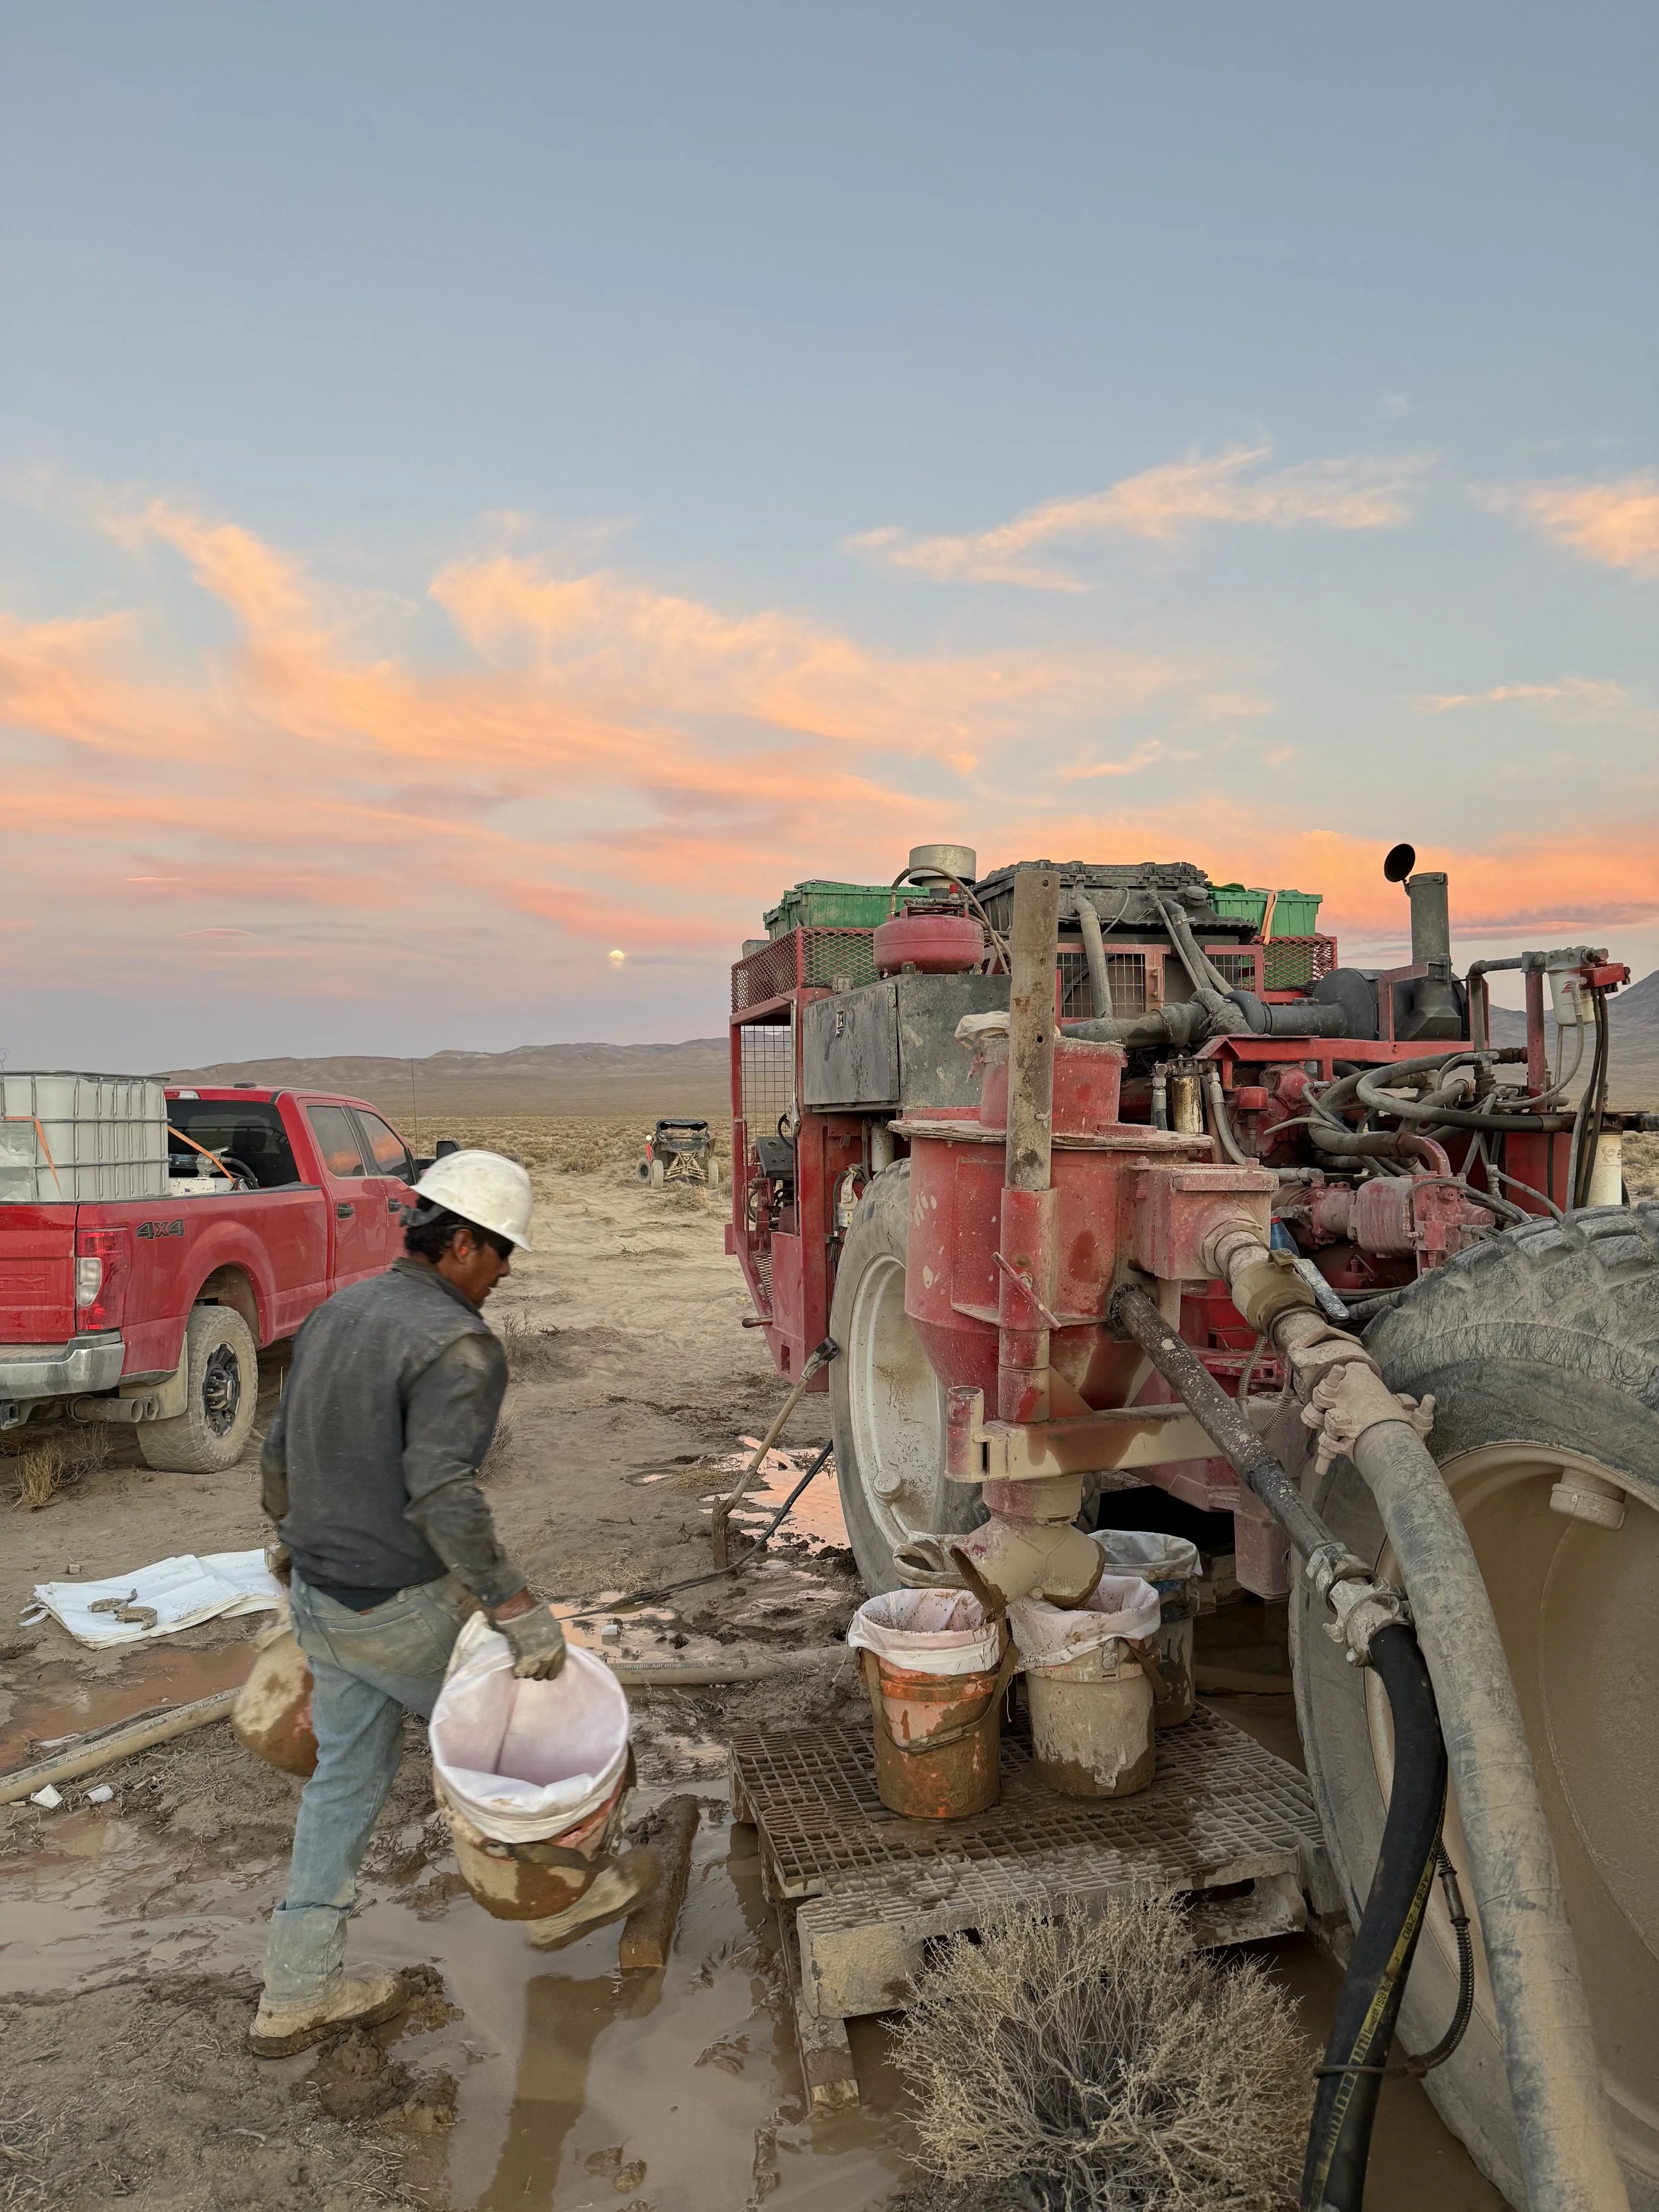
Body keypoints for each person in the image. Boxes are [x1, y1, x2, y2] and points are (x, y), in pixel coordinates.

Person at [249, 1149, 652, 2057]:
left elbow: (280, 1449)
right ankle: (560, 1900)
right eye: (502, 1252)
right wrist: (516, 1608)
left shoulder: (341, 1309)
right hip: (397, 1608)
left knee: (343, 1787)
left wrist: (292, 1545)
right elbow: (442, 1492)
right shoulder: (460, 1346)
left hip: (323, 1596)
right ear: (462, 1242)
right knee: (534, 1741)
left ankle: (295, 1992)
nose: (506, 1273)